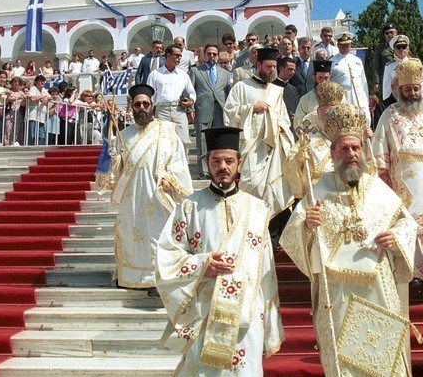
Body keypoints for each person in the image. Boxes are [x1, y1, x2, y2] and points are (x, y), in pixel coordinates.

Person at [280, 104, 419, 377]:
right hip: (339, 292)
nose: (351, 154)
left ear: (363, 151)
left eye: (355, 148)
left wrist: (396, 237)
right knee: (345, 363)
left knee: (383, 362)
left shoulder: (377, 188)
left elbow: (406, 223)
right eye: (344, 149)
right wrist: (307, 226)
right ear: (332, 154)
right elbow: (291, 238)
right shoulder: (318, 190)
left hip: (379, 290)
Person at [155, 127, 284, 375]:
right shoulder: (190, 207)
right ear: (206, 163)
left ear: (239, 163)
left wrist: (269, 319)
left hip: (247, 311)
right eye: (216, 161)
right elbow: (167, 255)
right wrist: (203, 264)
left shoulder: (258, 209)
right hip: (205, 309)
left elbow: (267, 270)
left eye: (229, 160)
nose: (222, 166)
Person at [96, 83, 193, 296]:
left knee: (158, 238)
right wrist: (113, 159)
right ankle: (130, 278)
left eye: (145, 104)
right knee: (131, 236)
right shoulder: (124, 135)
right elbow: (117, 172)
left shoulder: (167, 132)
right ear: (131, 107)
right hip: (132, 200)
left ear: (153, 106)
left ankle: (158, 281)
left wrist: (170, 180)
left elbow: (179, 164)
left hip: (159, 197)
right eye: (138, 104)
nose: (142, 108)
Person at [373, 58, 423, 281]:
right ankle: (414, 273)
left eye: (415, 89)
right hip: (406, 183)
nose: (412, 93)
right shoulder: (389, 114)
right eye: (407, 89)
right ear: (400, 90)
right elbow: (379, 150)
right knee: (410, 225)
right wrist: (384, 179)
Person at [223, 47, 294, 239]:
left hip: (274, 149)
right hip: (252, 149)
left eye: (274, 67)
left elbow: (285, 119)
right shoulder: (241, 87)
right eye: (269, 66)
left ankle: (274, 235)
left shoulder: (277, 90)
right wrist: (250, 108)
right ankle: (251, 230)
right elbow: (229, 114)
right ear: (258, 64)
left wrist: (281, 127)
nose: (272, 71)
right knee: (251, 184)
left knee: (277, 188)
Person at [283, 80, 346, 200]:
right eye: (326, 112)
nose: (329, 117)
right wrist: (300, 155)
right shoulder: (309, 137)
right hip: (317, 196)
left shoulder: (347, 135)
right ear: (318, 112)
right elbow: (289, 165)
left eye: (334, 112)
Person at [189, 43, 231, 176]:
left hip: (220, 109)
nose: (212, 56)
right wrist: (191, 109)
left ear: (218, 56)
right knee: (202, 140)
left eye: (214, 54)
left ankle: (218, 169)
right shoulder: (196, 71)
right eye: (209, 54)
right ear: (204, 55)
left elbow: (229, 93)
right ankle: (203, 171)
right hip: (203, 109)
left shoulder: (224, 73)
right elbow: (190, 92)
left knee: (219, 141)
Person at [147, 44, 196, 153]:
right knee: (163, 143)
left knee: (184, 141)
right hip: (162, 111)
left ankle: (183, 168)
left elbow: (192, 92)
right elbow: (150, 97)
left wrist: (190, 102)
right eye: (177, 55)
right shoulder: (155, 74)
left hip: (179, 110)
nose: (179, 58)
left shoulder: (183, 75)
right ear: (168, 55)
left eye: (180, 56)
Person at [330, 32, 370, 124]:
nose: (345, 47)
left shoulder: (357, 60)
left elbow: (363, 82)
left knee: (365, 120)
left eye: (347, 45)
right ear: (338, 45)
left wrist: (366, 99)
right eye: (342, 45)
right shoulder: (332, 61)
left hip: (359, 97)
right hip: (343, 98)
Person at [381, 34, 423, 100]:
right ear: (394, 50)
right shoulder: (389, 66)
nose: (401, 49)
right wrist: (387, 103)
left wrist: (420, 95)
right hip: (398, 100)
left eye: (403, 47)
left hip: (415, 98)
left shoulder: (416, 62)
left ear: (407, 48)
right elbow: (387, 87)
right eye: (398, 47)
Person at [293, 59, 332, 129]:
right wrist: (315, 115)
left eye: (326, 78)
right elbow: (297, 123)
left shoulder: (338, 97)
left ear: (330, 77)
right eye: (320, 78)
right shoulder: (305, 99)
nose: (323, 82)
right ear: (314, 77)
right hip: (313, 137)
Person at [273, 55, 300, 121]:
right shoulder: (271, 87)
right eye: (290, 69)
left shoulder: (294, 90)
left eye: (294, 70)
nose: (293, 72)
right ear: (281, 68)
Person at [371, 22, 398, 87]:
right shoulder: (380, 48)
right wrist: (376, 82)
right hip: (386, 81)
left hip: (401, 79)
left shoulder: (402, 46)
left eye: (391, 32)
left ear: (396, 33)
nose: (389, 35)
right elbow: (376, 67)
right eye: (387, 33)